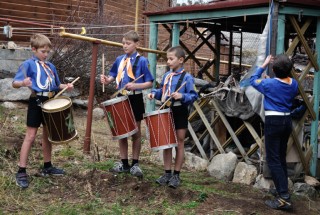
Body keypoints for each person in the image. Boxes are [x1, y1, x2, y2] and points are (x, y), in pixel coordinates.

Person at [12, 34, 74, 188]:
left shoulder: (51, 67)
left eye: (48, 52)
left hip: (50, 102)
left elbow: (56, 85)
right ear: (34, 49)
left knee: (48, 135)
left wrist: (65, 86)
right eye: (43, 51)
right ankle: (21, 170)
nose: (46, 54)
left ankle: (47, 166)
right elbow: (14, 83)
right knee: (30, 136)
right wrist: (23, 82)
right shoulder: (27, 65)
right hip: (36, 101)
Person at [100, 30, 154, 178]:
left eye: (128, 43)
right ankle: (124, 163)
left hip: (135, 98)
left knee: (136, 132)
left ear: (136, 44)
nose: (125, 46)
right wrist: (106, 79)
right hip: (121, 98)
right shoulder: (119, 59)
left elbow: (149, 82)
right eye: (123, 43)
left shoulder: (142, 61)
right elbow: (112, 76)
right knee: (122, 132)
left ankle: (135, 163)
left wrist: (136, 86)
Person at [250, 54, 298, 210]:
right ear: (289, 69)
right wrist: (286, 63)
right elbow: (284, 78)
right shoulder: (294, 84)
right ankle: (281, 191)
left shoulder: (269, 84)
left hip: (274, 121)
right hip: (286, 122)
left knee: (273, 159)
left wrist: (263, 64)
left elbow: (253, 80)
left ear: (273, 69)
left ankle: (284, 197)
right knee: (280, 158)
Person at [147, 46, 198, 188]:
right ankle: (167, 173)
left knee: (179, 141)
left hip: (180, 110)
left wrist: (182, 96)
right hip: (166, 110)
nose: (168, 61)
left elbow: (194, 96)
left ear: (181, 60)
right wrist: (154, 93)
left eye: (171, 59)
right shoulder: (166, 76)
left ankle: (176, 175)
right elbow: (162, 91)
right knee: (167, 142)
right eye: (167, 58)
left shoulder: (187, 78)